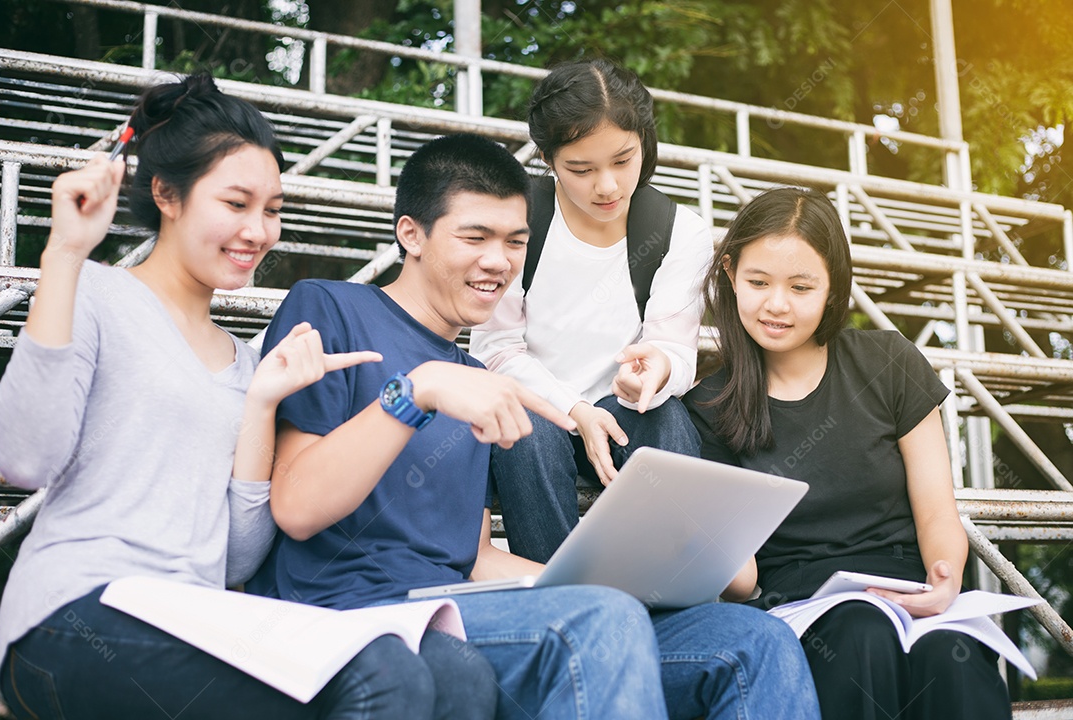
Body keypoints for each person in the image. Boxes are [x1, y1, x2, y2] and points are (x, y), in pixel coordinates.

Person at [247, 132, 822, 720]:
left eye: (515, 242)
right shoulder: (331, 309)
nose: (498, 261)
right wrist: (415, 392)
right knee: (599, 621)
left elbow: (470, 559)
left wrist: (606, 581)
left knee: (753, 639)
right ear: (410, 234)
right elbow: (296, 505)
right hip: (347, 609)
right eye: (475, 237)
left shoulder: (475, 376)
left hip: (461, 610)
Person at [0, 74, 496, 720]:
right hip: (73, 616)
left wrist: (260, 405)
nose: (258, 230)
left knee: (456, 680)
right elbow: (21, 458)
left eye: (274, 209)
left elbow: (235, 556)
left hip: (196, 618)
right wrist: (63, 253)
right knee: (382, 674)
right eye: (236, 204)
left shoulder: (247, 361)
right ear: (166, 195)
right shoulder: (95, 293)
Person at [683, 186, 1012, 720]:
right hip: (802, 608)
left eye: (801, 286)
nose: (777, 304)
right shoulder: (708, 406)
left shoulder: (889, 363)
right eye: (758, 282)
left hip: (910, 592)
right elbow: (740, 577)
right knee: (862, 633)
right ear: (729, 272)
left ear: (834, 288)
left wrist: (945, 578)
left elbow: (936, 511)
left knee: (950, 662)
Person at [469, 58, 710, 563]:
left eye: (623, 160)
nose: (607, 186)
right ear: (548, 159)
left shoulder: (678, 231)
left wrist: (657, 370)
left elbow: (675, 347)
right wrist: (575, 410)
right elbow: (497, 350)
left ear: (644, 140)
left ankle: (682, 583)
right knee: (528, 432)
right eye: (581, 169)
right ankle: (561, 598)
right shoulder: (519, 220)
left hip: (626, 412)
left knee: (663, 416)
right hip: (541, 412)